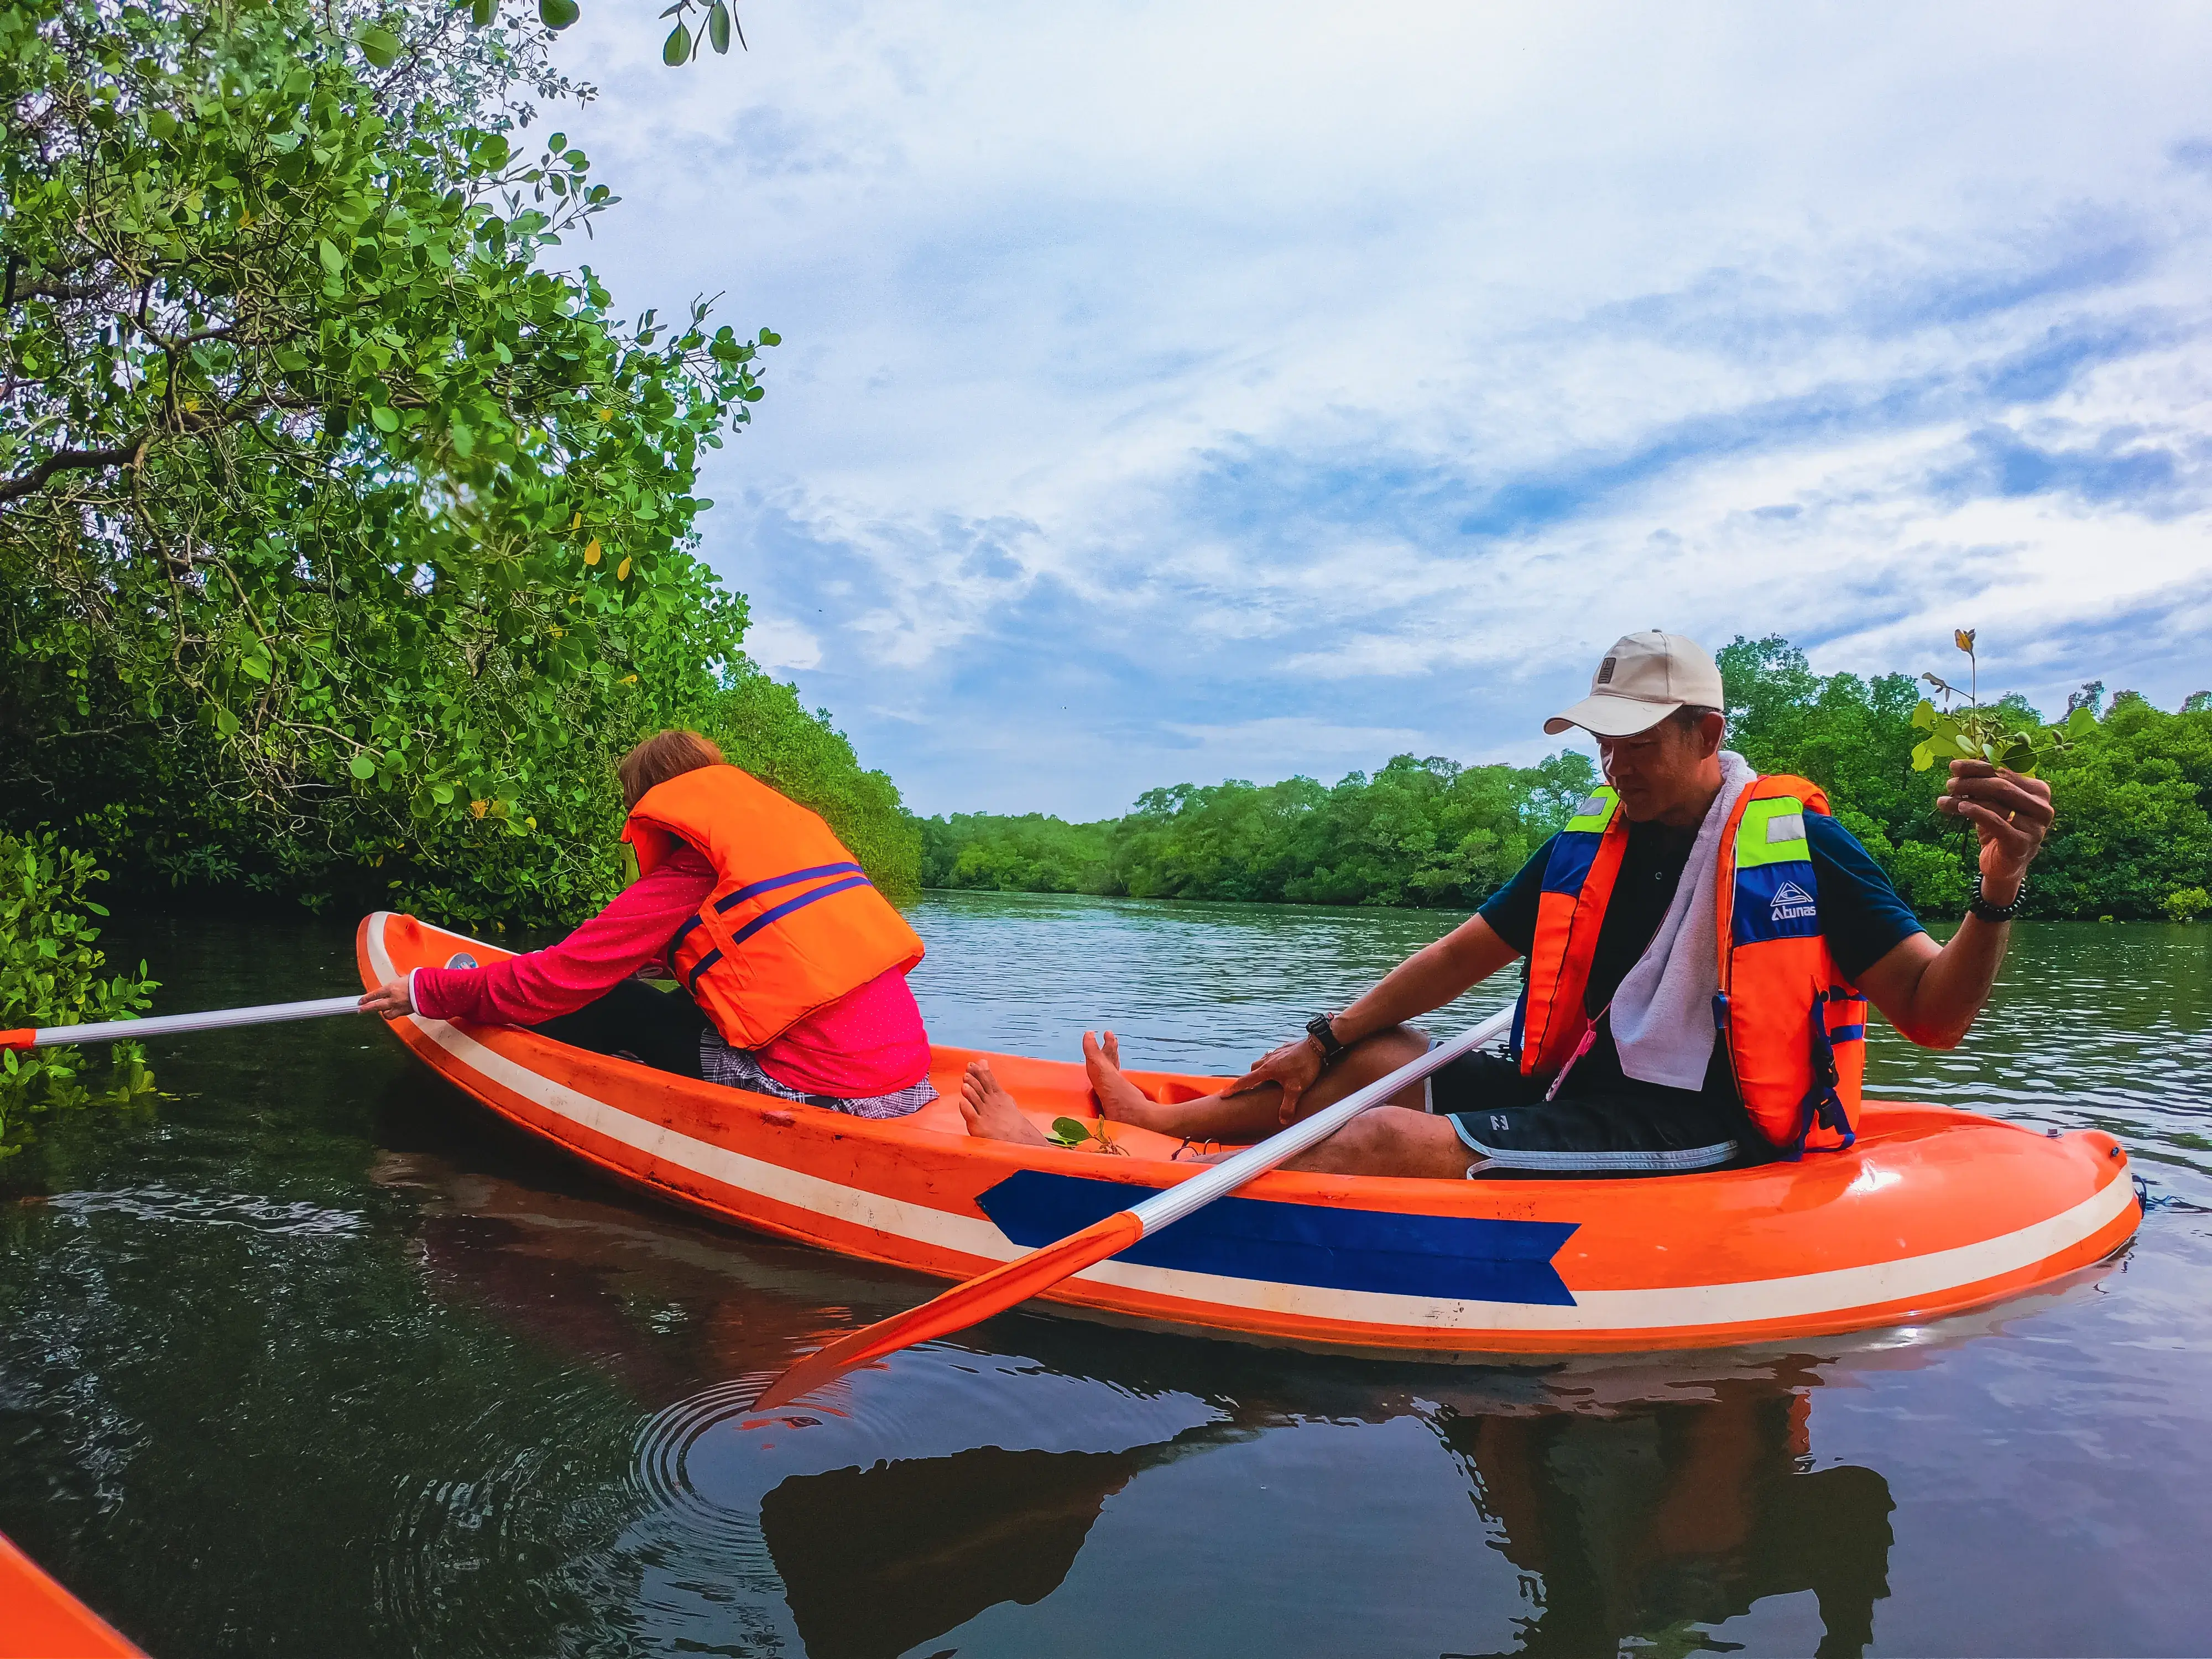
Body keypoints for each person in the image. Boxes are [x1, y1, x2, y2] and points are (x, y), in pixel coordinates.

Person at [960, 630, 2056, 1175]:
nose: (1610, 760)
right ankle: (1167, 1125)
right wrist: (1319, 1036)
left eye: (1635, 741)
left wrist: (1994, 895)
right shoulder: (1593, 841)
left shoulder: (1799, 849)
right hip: (1569, 1081)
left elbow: (1933, 1014)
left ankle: (1098, 1171)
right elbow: (1455, 957)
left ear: (1706, 736)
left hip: (1692, 1120)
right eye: (1600, 738)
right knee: (1374, 1058)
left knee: (1383, 1137)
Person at [359, 731, 937, 1118]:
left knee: (609, 1003)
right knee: (654, 990)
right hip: (907, 1080)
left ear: (654, 802)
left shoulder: (693, 867)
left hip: (829, 1096)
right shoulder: (791, 849)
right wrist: (627, 956)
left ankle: (559, 1092)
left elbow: (558, 980)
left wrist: (428, 989)